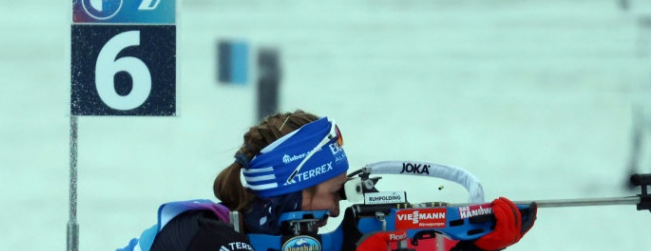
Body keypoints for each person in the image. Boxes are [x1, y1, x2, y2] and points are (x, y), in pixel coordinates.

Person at [117, 110, 536, 251]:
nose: (337, 209)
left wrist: (466, 242)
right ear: (290, 191)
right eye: (333, 194)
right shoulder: (198, 234)